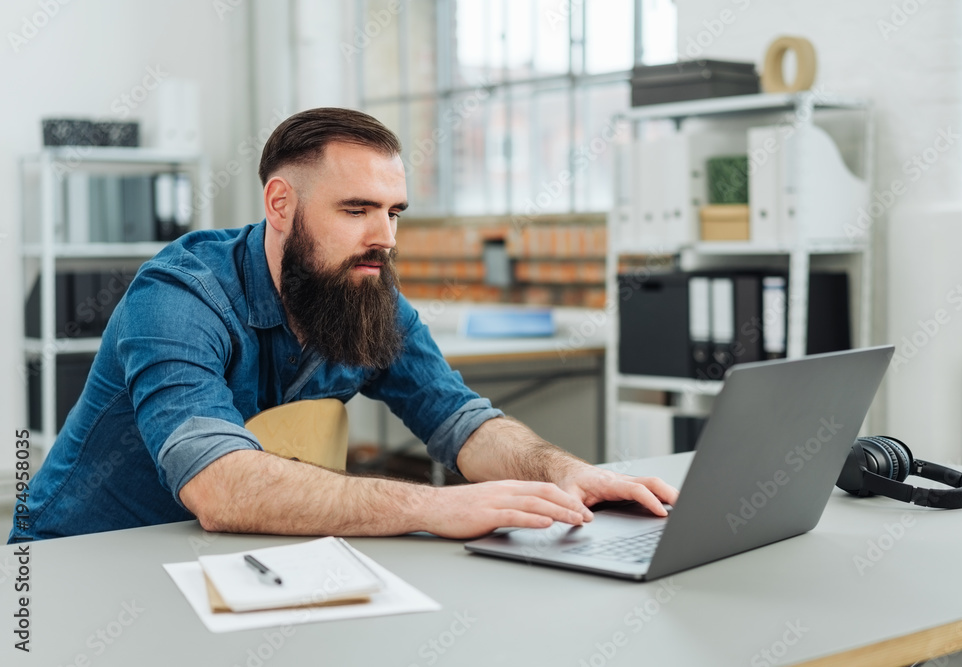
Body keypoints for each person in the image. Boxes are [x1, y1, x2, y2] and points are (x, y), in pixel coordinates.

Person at [10, 108, 676, 543]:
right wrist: (432, 507)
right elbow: (217, 485)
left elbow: (462, 420)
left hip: (225, 559)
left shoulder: (366, 296)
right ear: (280, 204)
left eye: (394, 211)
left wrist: (563, 470)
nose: (382, 236)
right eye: (357, 208)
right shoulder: (181, 295)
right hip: (80, 559)